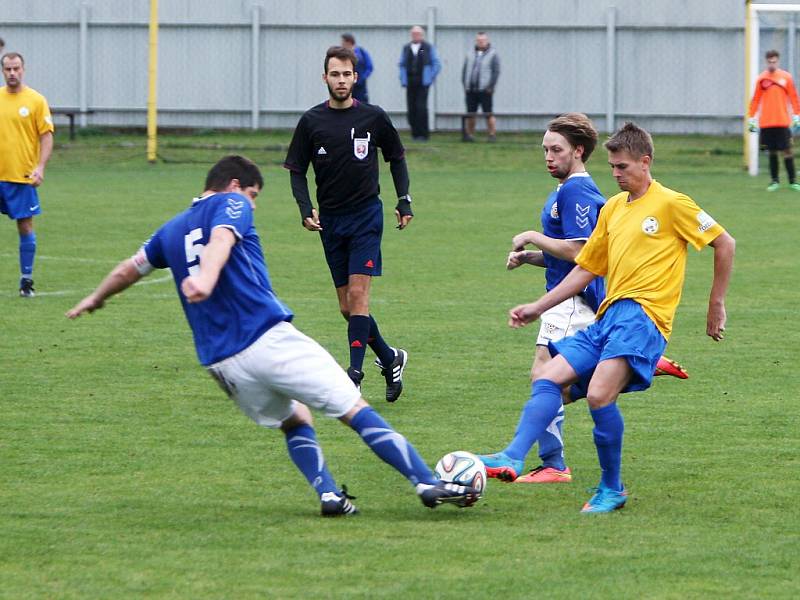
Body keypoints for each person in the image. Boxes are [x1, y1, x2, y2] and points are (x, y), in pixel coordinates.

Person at [65, 155, 480, 517]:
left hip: (221, 364)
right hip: (266, 339)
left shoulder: (169, 231)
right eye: (255, 195)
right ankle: (425, 482)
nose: (252, 204)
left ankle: (330, 494)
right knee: (352, 408)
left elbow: (129, 268)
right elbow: (222, 239)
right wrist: (207, 277)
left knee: (294, 418)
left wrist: (96, 298)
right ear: (235, 186)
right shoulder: (231, 202)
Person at [481, 122, 735, 513]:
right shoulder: (614, 209)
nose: (615, 174)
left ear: (645, 161)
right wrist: (537, 305)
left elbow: (724, 242)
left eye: (622, 167)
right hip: (608, 315)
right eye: (613, 167)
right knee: (549, 380)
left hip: (644, 318)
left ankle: (611, 488)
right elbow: (586, 268)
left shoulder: (672, 203)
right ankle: (512, 456)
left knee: (600, 394)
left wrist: (715, 303)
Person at [284, 46, 413, 403]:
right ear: (325, 78)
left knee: (359, 297)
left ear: (356, 77)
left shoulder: (373, 117)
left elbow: (397, 158)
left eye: (347, 74)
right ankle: (390, 358)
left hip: (366, 218)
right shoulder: (311, 122)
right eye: (335, 74)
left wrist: (404, 199)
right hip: (331, 221)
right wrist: (305, 207)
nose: (341, 80)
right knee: (348, 308)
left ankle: (353, 376)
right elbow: (296, 170)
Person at [0, 52, 54, 297]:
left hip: (21, 175)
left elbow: (46, 135)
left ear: (23, 69)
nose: (12, 73)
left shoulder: (35, 101)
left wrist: (40, 166)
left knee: (25, 226)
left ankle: (26, 281)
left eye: (16, 68)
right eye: (7, 69)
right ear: (2, 71)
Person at [747, 49, 800, 192]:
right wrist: (751, 118)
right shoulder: (762, 79)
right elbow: (756, 99)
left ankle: (793, 181)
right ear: (766, 62)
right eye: (770, 61)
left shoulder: (786, 77)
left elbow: (793, 97)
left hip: (783, 121)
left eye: (774, 61)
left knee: (788, 150)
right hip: (766, 122)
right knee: (771, 152)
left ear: (778, 61)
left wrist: (797, 115)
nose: (772, 64)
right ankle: (774, 181)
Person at [398, 25, 441, 141]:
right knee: (411, 108)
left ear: (422, 35)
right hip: (410, 82)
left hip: (423, 83)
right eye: (413, 34)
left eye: (418, 34)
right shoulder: (406, 48)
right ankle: (415, 133)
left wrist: (429, 77)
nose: (415, 36)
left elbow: (436, 64)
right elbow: (401, 64)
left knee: (421, 108)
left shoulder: (428, 47)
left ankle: (423, 134)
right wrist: (403, 79)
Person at [461, 32, 500, 143]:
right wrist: (465, 84)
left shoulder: (493, 54)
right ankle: (469, 135)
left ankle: (492, 134)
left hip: (485, 90)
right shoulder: (470, 53)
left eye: (482, 40)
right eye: (478, 40)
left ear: (487, 41)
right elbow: (465, 71)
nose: (480, 42)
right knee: (470, 113)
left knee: (488, 113)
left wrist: (491, 86)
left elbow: (496, 72)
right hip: (471, 89)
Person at [340, 33, 373, 103]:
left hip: (360, 86)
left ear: (348, 42)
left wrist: (362, 78)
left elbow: (369, 67)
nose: (341, 44)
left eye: (343, 42)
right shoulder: (342, 55)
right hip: (347, 85)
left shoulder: (362, 52)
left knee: (362, 105)